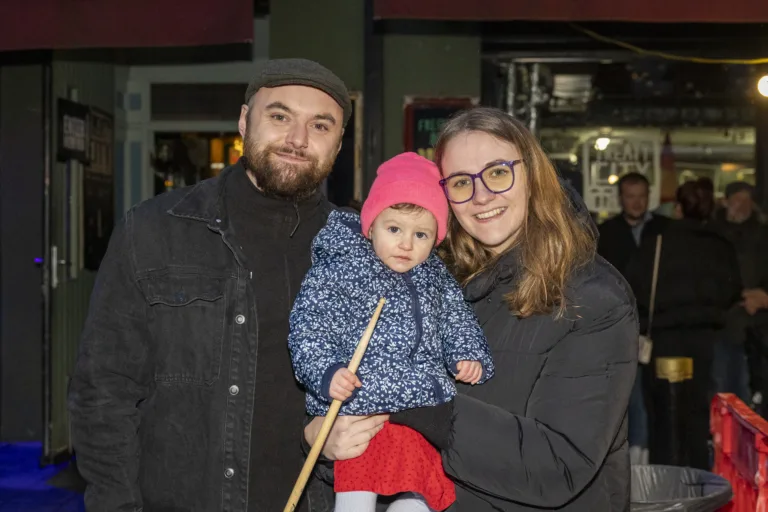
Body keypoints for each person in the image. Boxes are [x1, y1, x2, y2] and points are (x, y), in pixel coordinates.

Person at [68, 58, 375, 512]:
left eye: (320, 125)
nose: (297, 139)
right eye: (279, 116)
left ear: (339, 143)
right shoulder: (153, 231)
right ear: (243, 120)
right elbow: (103, 392)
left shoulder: (363, 249)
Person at [306, 107, 638, 511]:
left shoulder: (592, 298)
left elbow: (559, 465)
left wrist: (424, 407)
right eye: (461, 182)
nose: (481, 196)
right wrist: (328, 439)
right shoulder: (433, 281)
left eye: (498, 172)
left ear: (532, 174)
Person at [289, 152, 494, 512]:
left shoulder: (434, 276)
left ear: (436, 239)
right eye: (394, 229)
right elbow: (311, 325)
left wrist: (467, 353)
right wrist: (326, 372)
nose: (406, 243)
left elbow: (456, 317)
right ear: (370, 226)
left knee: (419, 494)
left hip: (418, 412)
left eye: (421, 234)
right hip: (361, 409)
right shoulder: (344, 269)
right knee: (357, 493)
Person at [626, 180, 742, 469]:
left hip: (664, 340)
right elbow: (732, 289)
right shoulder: (719, 244)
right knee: (697, 413)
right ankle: (698, 480)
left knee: (663, 415)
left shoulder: (658, 242)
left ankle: (666, 481)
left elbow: (635, 287)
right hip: (704, 342)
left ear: (678, 208)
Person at [597, 171, 669, 464]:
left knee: (659, 395)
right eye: (630, 196)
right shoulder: (606, 233)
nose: (637, 202)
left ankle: (656, 453)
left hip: (661, 325)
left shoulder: (665, 230)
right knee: (633, 394)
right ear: (620, 199)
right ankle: (637, 455)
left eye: (641, 196)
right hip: (624, 326)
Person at [712, 181, 768, 411]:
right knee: (724, 384)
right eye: (737, 200)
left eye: (747, 200)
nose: (742, 206)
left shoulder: (763, 234)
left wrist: (763, 295)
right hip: (723, 321)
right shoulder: (712, 234)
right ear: (726, 201)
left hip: (759, 323)